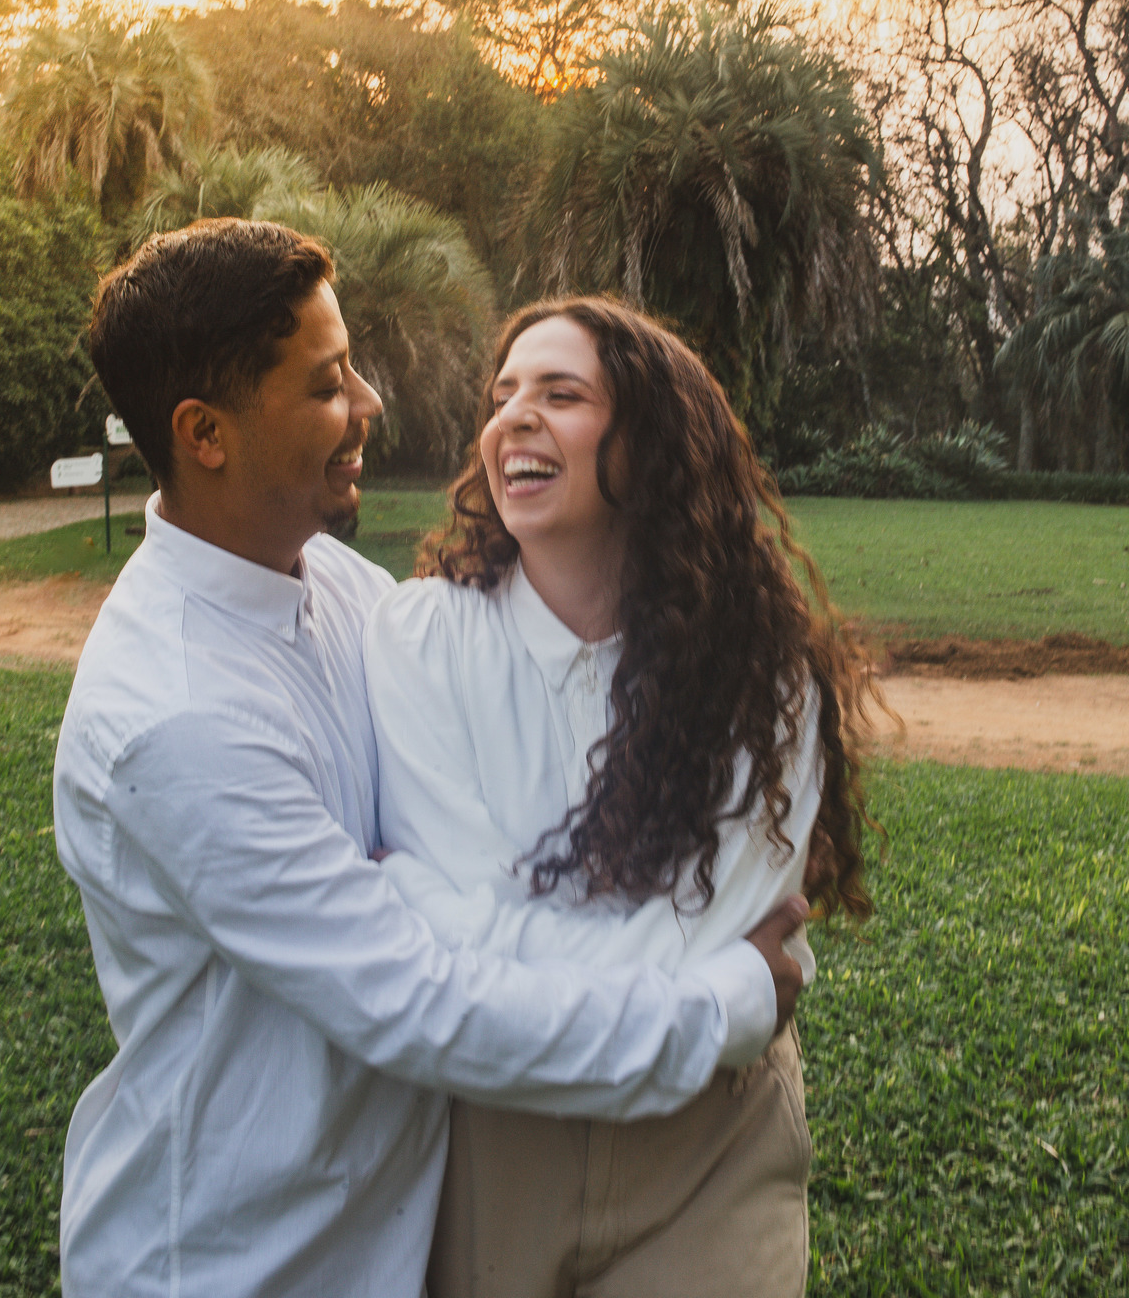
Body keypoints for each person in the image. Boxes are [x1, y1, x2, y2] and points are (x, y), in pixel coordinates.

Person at [53, 221, 809, 1298]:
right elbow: (419, 1001)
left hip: (391, 1232)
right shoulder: (175, 716)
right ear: (205, 433)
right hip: (240, 1259)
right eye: (327, 385)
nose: (368, 403)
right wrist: (722, 1004)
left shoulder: (339, 587)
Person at [364, 296, 878, 1298]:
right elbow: (464, 963)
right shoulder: (421, 639)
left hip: (710, 1146)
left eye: (562, 395)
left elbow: (478, 944)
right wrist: (725, 995)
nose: (516, 416)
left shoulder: (762, 670)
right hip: (494, 1142)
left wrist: (451, 919)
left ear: (652, 444)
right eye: (503, 396)